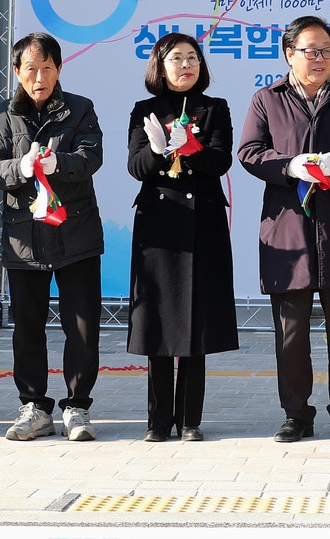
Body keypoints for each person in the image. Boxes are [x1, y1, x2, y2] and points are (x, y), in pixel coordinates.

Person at [238, 16, 330, 444]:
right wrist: (288, 166)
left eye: (326, 50)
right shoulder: (266, 98)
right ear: (289, 54)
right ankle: (296, 415)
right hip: (288, 232)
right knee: (290, 331)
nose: (319, 59)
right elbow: (249, 152)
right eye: (310, 51)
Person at [0, 32, 104, 442]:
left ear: (59, 68)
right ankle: (33, 406)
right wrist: (22, 167)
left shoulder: (81, 108)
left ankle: (77, 408)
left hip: (76, 235)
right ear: (16, 72)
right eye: (31, 69)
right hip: (24, 239)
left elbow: (91, 158)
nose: (39, 77)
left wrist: (57, 163)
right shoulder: (0, 114)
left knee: (82, 326)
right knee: (27, 326)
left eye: (47, 68)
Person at [127, 33, 239, 442]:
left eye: (192, 57)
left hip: (202, 224)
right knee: (158, 322)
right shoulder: (145, 110)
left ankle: (190, 420)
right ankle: (157, 421)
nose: (186, 65)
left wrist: (191, 147)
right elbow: (135, 166)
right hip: (159, 225)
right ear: (160, 64)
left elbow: (222, 159)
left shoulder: (215, 108)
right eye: (176, 58)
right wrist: (159, 150)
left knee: (196, 322)